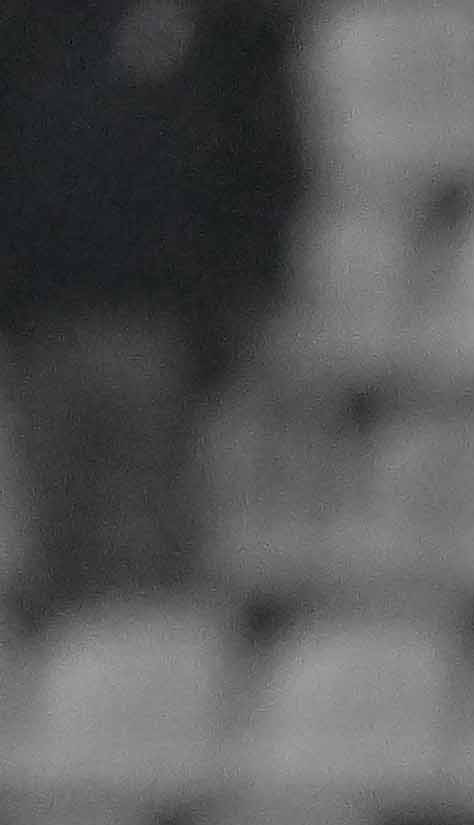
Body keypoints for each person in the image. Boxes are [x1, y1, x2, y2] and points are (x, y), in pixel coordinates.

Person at [0, 0, 302, 612]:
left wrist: (226, 310)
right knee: (60, 550)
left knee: (150, 555)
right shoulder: (32, 30)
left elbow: (265, 171)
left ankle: (152, 687)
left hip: (162, 329)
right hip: (43, 329)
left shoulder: (226, 29)